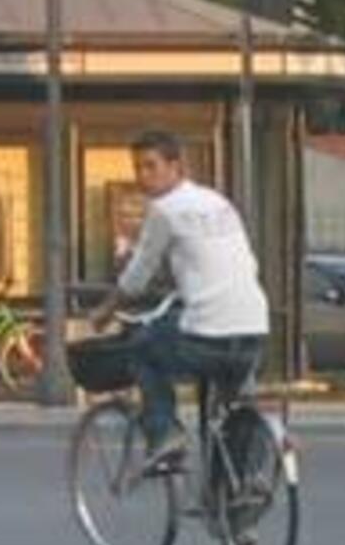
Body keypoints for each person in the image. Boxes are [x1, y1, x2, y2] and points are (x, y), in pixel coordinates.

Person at [87, 130, 270, 451]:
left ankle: (165, 433)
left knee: (143, 348)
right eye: (137, 168)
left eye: (150, 166)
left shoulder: (165, 209)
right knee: (231, 407)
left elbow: (137, 276)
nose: (142, 177)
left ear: (176, 166)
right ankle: (235, 489)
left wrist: (105, 310)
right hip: (254, 328)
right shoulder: (218, 202)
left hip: (208, 335)